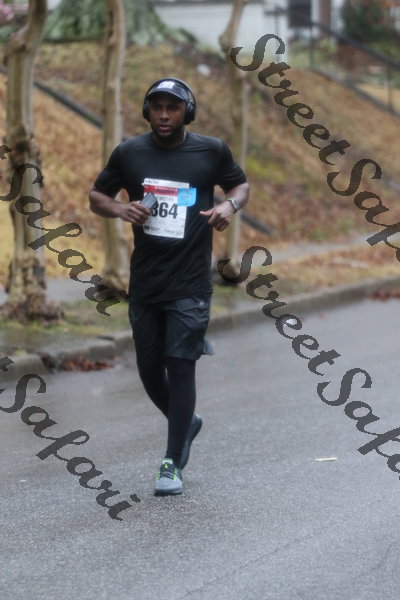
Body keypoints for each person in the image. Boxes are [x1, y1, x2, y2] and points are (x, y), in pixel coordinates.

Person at [89, 77, 249, 496]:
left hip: (191, 281)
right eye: (157, 107)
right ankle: (187, 421)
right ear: (147, 111)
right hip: (146, 279)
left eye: (172, 108)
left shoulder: (210, 151)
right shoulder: (129, 153)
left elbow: (241, 185)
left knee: (180, 364)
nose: (164, 115)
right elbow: (96, 196)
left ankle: (172, 461)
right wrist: (120, 209)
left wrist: (229, 205)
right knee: (148, 369)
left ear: (187, 112)